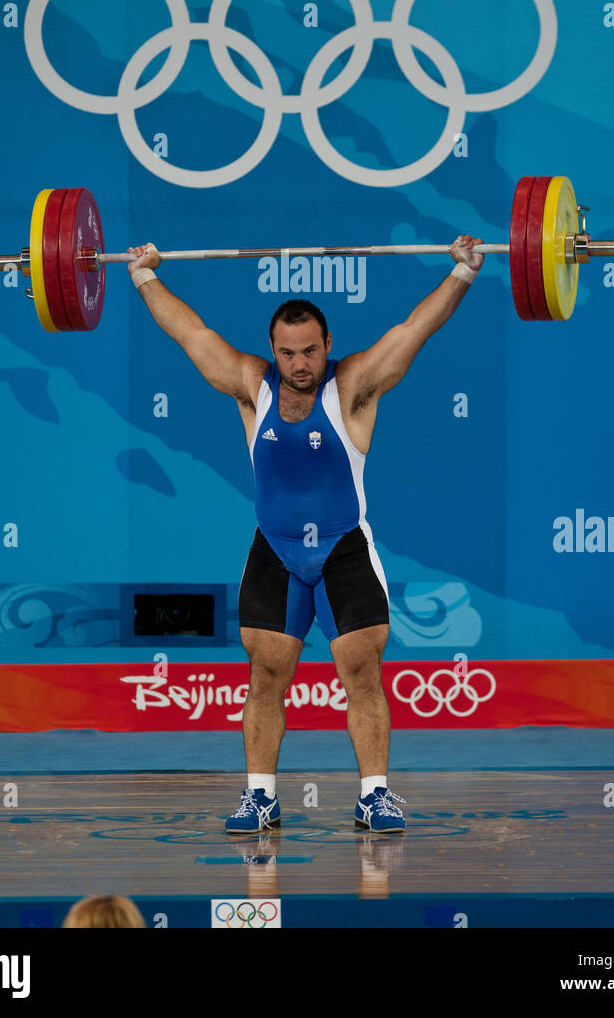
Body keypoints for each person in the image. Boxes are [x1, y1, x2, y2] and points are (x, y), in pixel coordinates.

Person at [127, 235, 484, 833]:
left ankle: (375, 796)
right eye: (289, 352)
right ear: (273, 348)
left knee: (361, 671)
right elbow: (190, 334)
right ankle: (260, 797)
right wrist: (143, 277)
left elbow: (412, 330)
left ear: (327, 347)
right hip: (276, 550)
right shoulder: (251, 386)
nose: (300, 364)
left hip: (344, 549)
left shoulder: (354, 387)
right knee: (266, 673)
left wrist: (464, 272)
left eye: (310, 351)